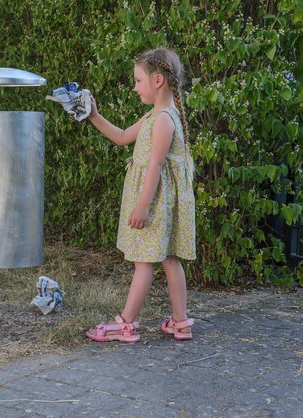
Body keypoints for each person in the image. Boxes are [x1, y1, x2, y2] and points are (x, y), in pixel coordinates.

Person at [85, 48, 196, 343]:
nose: (134, 87)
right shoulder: (155, 115)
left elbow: (156, 165)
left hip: (156, 202)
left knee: (144, 263)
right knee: (170, 259)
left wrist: (143, 206)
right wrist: (93, 115)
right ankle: (181, 323)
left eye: (138, 80)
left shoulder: (163, 120)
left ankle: (125, 323)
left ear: (158, 80)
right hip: (163, 202)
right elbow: (122, 136)